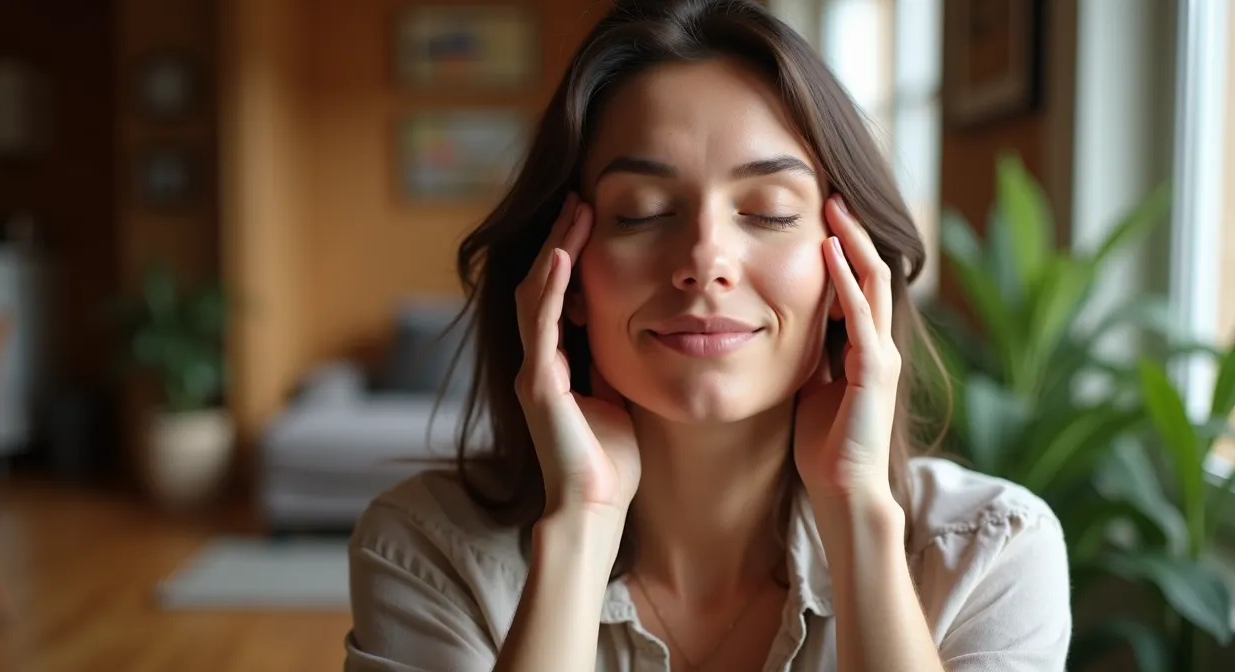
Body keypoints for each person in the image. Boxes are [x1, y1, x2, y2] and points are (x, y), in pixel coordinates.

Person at [345, 1, 1071, 670]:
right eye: (643, 211)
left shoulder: (992, 552)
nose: (704, 262)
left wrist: (855, 511)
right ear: (560, 279)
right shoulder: (424, 551)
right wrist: (582, 522)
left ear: (852, 271)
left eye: (767, 211)